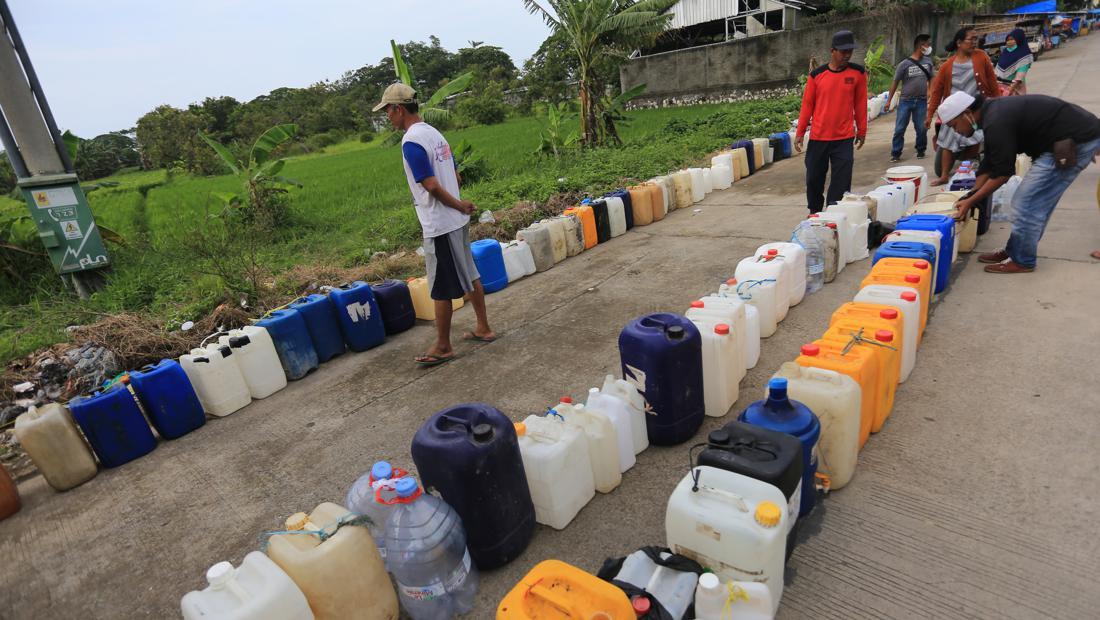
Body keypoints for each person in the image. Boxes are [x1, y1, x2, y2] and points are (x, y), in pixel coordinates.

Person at [374, 83, 497, 366]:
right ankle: (483, 327)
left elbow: (429, 184)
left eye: (387, 112)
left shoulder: (411, 141)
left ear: (398, 108)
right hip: (456, 220)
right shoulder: (434, 133)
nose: (387, 118)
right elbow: (456, 173)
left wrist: (456, 203)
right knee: (470, 272)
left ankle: (443, 345)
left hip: (440, 222)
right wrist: (458, 202)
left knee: (441, 284)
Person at [938, 91, 1100, 273]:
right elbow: (991, 161)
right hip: (1066, 138)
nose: (956, 131)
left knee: (1026, 202)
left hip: (1073, 141)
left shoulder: (996, 120)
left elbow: (1003, 172)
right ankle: (1015, 250)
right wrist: (971, 194)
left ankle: (1022, 260)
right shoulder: (991, 115)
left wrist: (971, 201)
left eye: (954, 125)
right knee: (1032, 203)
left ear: (967, 113)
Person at [795, 30, 868, 214]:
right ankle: (814, 211)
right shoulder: (816, 76)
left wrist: (862, 130)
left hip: (843, 138)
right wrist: (800, 132)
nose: (847, 55)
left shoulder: (857, 74)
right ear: (832, 51)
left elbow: (860, 103)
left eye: (849, 51)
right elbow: (807, 105)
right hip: (819, 137)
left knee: (841, 180)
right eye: (843, 51)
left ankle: (835, 213)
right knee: (814, 178)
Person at [926, 27, 1000, 186]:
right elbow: (937, 92)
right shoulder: (947, 65)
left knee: (974, 138)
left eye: (976, 39)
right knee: (946, 142)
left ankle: (966, 172)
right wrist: (930, 114)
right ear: (959, 43)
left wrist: (999, 103)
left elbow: (992, 83)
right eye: (971, 39)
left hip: (974, 109)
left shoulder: (982, 57)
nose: (975, 42)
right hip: (953, 111)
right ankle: (944, 176)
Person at [888, 34, 935, 162]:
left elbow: (931, 78)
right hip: (905, 101)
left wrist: (930, 91)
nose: (929, 47)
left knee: (921, 128)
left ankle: (921, 149)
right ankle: (896, 153)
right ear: (921, 47)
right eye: (927, 44)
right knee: (899, 128)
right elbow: (895, 82)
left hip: (921, 101)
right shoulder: (904, 64)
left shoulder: (928, 62)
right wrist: (888, 101)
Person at [994, 28, 1033, 96]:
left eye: (1012, 39)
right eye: (1008, 40)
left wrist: (1010, 90)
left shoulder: (1024, 55)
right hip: (1000, 89)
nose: (1009, 42)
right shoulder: (1005, 52)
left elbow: (1020, 76)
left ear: (1019, 39)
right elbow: (997, 70)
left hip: (1014, 90)